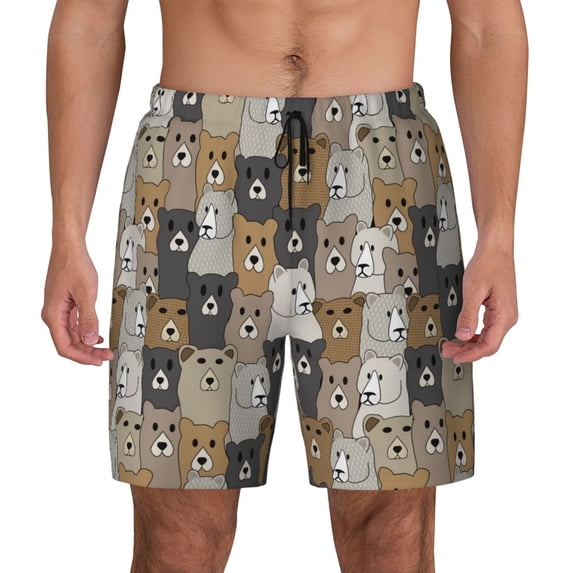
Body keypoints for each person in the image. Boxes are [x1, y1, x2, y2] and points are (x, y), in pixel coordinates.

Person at [41, 0, 527, 571]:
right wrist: (66, 235)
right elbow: (89, 23)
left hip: (381, 165)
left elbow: (487, 25)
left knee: (390, 530)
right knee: (176, 538)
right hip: (194, 159)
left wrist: (499, 235)